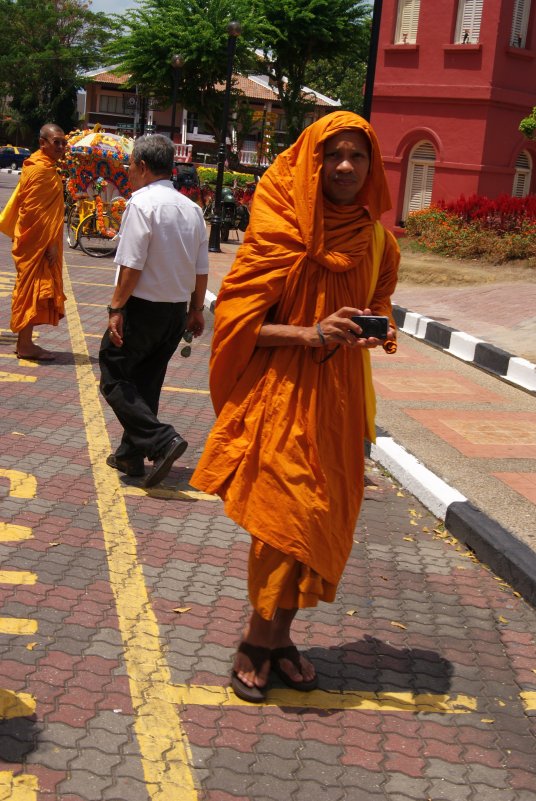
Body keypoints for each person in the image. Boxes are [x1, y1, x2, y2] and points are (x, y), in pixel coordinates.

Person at [191, 111, 400, 702]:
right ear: (311, 162)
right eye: (332, 154)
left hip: (340, 404)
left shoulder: (380, 242)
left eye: (358, 156)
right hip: (282, 396)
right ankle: (256, 643)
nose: (344, 167)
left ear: (371, 166)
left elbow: (378, 307)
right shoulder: (278, 233)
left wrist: (369, 331)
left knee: (317, 522)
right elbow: (235, 323)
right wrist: (308, 334)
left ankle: (281, 638)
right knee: (281, 523)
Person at [99, 134, 208, 489]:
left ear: (143, 167)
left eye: (130, 166)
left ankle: (162, 440)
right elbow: (201, 269)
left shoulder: (141, 204)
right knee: (146, 383)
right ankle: (131, 455)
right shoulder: (191, 209)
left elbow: (131, 265)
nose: (128, 173)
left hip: (142, 310)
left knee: (114, 376)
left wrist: (116, 308)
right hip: (175, 312)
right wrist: (195, 310)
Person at [0, 124, 67, 360]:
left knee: (31, 290)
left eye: (63, 142)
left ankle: (24, 343)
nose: (61, 147)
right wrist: (49, 243)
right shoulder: (39, 170)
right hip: (36, 244)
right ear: (42, 143)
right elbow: (34, 214)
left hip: (37, 242)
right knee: (30, 290)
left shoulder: (46, 168)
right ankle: (25, 345)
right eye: (56, 142)